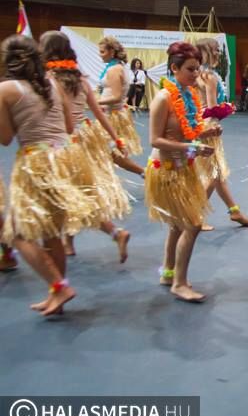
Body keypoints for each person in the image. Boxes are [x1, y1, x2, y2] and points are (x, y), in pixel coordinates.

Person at [0, 34, 90, 315]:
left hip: (36, 162)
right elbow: (69, 127)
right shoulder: (53, 83)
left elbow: (5, 138)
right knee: (51, 233)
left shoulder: (6, 89)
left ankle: (59, 287)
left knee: (17, 233)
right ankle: (56, 297)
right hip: (63, 158)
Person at [39, 31, 131, 260]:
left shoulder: (47, 80)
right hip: (78, 143)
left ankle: (59, 249)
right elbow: (98, 112)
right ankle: (104, 235)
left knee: (60, 196)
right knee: (76, 193)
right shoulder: (80, 80)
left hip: (55, 145)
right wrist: (116, 139)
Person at [146, 42, 219, 303]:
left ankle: (168, 272)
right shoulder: (163, 98)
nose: (195, 74)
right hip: (165, 170)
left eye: (197, 69)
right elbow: (155, 140)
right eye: (190, 69)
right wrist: (191, 147)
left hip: (184, 168)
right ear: (174, 69)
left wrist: (205, 132)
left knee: (177, 225)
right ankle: (179, 283)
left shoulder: (189, 95)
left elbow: (188, 131)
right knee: (193, 223)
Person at [195, 38, 248, 229]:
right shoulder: (209, 77)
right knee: (214, 174)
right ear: (206, 52)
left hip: (199, 124)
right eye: (215, 50)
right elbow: (212, 107)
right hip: (209, 126)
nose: (218, 53)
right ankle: (195, 215)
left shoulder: (197, 74)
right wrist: (227, 108)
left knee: (218, 174)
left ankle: (234, 211)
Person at [96, 37, 145, 176]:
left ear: (112, 52)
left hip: (111, 116)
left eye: (102, 51)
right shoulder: (117, 67)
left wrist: (95, 102)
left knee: (114, 154)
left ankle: (144, 173)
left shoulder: (114, 69)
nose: (100, 54)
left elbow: (116, 96)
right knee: (106, 152)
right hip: (112, 114)